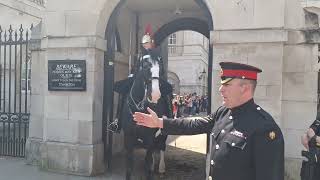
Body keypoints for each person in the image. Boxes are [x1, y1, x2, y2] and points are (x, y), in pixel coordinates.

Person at [133, 61, 284, 180]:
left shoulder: (264, 128)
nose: (221, 89)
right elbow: (195, 124)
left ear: (244, 88)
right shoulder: (223, 112)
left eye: (227, 85)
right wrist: (160, 122)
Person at [108, 24, 173, 133]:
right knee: (123, 90)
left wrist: (157, 75)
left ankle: (169, 119)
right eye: (144, 43)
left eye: (147, 43)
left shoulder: (157, 55)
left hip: (154, 77)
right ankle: (117, 120)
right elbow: (136, 67)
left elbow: (161, 70)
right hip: (139, 77)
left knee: (167, 91)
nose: (146, 45)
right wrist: (133, 74)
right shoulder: (140, 55)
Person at [300, 114, 320, 179]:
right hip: (315, 160)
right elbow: (311, 131)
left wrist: (315, 137)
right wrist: (306, 135)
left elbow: (313, 135)